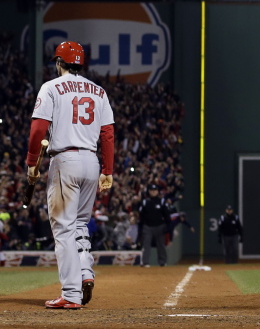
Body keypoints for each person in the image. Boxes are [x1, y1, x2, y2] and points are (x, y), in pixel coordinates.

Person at [25, 41, 115, 309]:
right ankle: (85, 271)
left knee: (63, 229)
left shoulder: (51, 87)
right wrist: (108, 170)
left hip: (65, 159)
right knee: (78, 225)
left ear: (59, 62)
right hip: (91, 160)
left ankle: (72, 293)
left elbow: (38, 129)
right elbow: (108, 134)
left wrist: (32, 162)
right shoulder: (99, 91)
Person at [136, 183, 172, 267]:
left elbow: (167, 215)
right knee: (146, 244)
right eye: (151, 190)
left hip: (160, 226)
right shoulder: (145, 202)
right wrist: (141, 227)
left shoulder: (162, 201)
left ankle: (162, 262)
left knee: (161, 245)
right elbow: (141, 216)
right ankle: (145, 262)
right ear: (148, 191)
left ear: (158, 191)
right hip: (147, 226)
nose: (153, 192)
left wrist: (167, 227)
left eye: (155, 190)